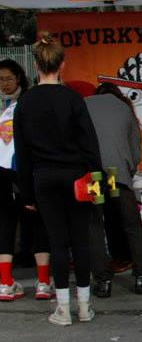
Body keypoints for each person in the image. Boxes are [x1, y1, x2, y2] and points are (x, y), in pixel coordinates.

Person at [13, 34, 103, 325]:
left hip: (44, 177)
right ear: (62, 65)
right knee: (81, 240)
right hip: (77, 175)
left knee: (57, 243)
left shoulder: (25, 103)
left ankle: (62, 308)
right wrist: (98, 183)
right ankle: (85, 306)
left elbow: (21, 152)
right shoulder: (74, 99)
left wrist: (26, 194)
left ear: (35, 65)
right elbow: (90, 144)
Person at [85, 82, 142, 296]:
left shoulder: (84, 104)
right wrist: (129, 170)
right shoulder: (124, 109)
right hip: (115, 174)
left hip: (95, 174)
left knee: (95, 224)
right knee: (130, 223)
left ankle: (102, 281)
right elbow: (135, 152)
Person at [0, 59, 53, 301]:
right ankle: (7, 281)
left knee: (36, 221)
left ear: (19, 78)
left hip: (26, 170)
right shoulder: (19, 105)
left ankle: (42, 281)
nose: (4, 83)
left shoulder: (27, 101)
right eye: (0, 79)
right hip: (6, 172)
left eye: (8, 78)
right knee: (7, 223)